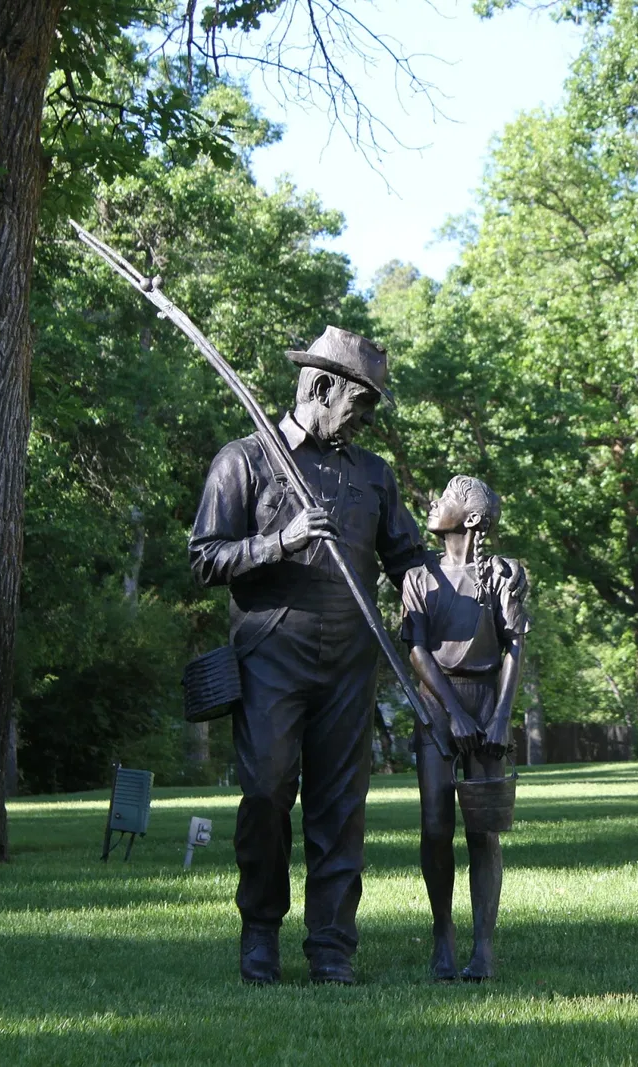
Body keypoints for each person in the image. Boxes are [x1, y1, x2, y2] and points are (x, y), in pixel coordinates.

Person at [189, 326, 424, 986]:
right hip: (270, 654)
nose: (367, 420)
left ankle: (330, 945)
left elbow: (407, 560)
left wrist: (464, 579)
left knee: (341, 805)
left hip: (351, 660)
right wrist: (278, 542)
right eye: (362, 404)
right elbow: (205, 556)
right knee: (265, 791)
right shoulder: (244, 460)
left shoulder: (374, 476)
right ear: (322, 388)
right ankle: (260, 930)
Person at [400, 475, 529, 980]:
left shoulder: (503, 575)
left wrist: (498, 717)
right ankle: (442, 936)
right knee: (435, 827)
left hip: (486, 702)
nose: (434, 503)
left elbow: (514, 646)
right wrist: (450, 711)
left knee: (484, 832)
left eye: (446, 498)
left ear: (471, 519)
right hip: (437, 708)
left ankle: (483, 946)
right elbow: (416, 648)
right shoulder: (419, 577)